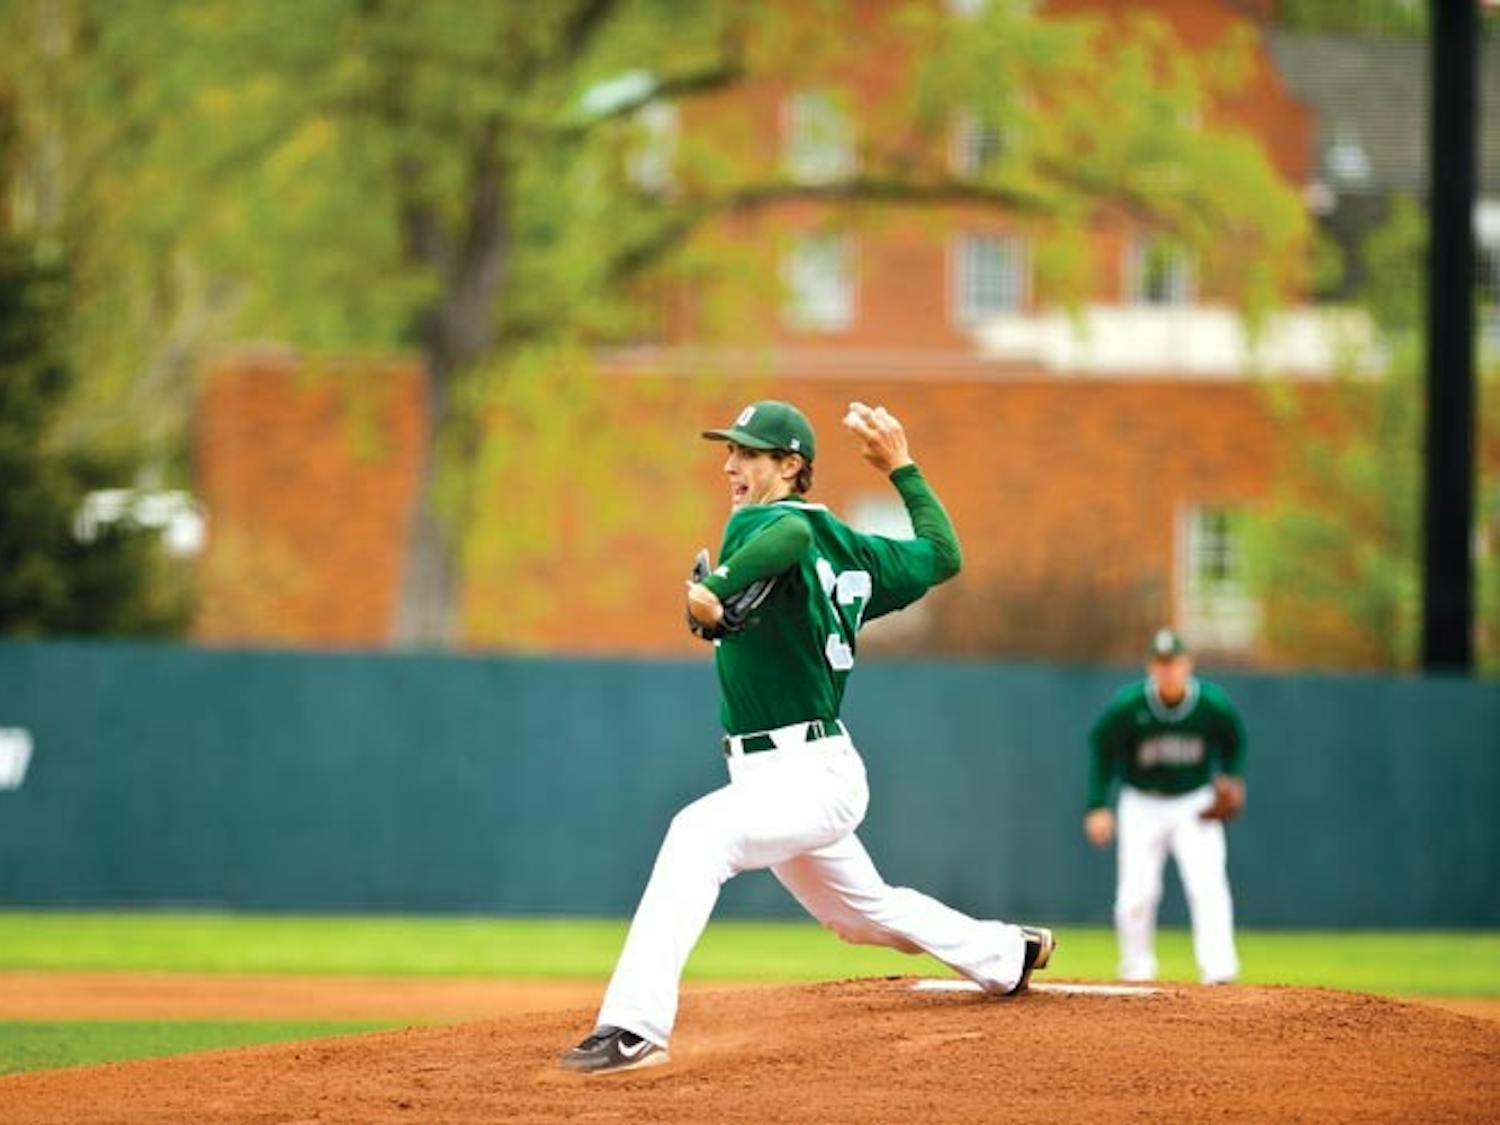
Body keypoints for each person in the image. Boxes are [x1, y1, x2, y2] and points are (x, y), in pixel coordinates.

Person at [560, 398, 1055, 1075]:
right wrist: (902, 469)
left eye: (748, 452)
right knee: (862, 915)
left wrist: (723, 585)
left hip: (808, 772)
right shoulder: (851, 550)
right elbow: (942, 554)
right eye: (729, 450)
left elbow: (787, 537)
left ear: (791, 465)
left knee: (696, 834)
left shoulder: (771, 524)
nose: (730, 463)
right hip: (791, 775)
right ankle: (1006, 955)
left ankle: (633, 1025)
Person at [1084, 628, 1247, 985]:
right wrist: (1097, 804)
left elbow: (1235, 740)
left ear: (1187, 664)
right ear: (1151, 667)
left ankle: (1219, 968)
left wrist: (1233, 778)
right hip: (1142, 802)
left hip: (1194, 802)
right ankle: (1136, 969)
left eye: (1173, 663)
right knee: (1135, 893)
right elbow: (1102, 747)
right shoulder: (1131, 705)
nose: (1168, 670)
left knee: (1207, 885)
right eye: (1161, 664)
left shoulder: (1210, 704)